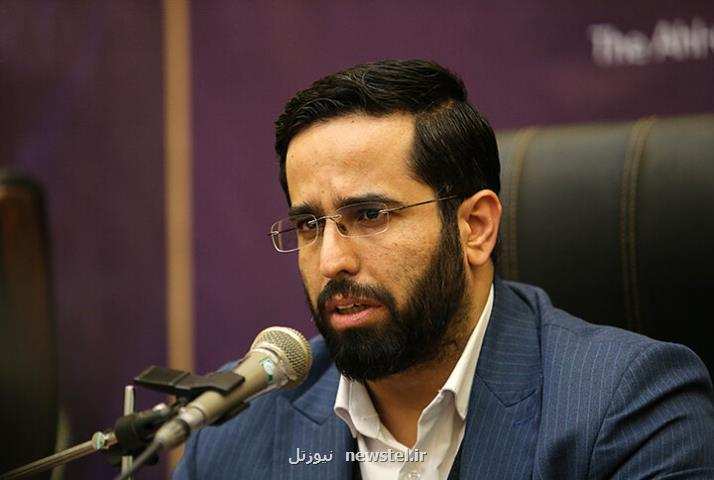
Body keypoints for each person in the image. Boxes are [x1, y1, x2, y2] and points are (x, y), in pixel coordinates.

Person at [173, 59, 714, 479]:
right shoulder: (233, 432)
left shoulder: (628, 408)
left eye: (370, 215)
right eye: (310, 225)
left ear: (475, 227)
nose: (332, 261)